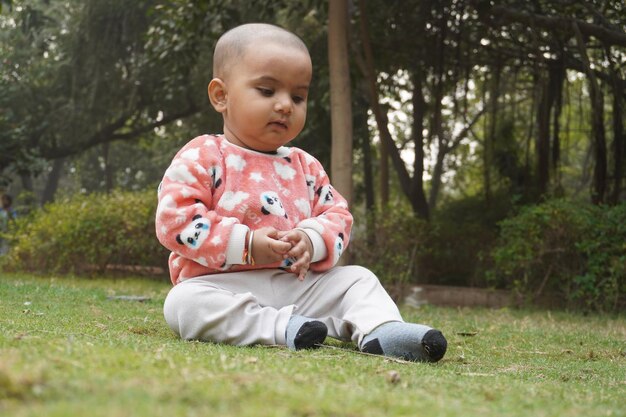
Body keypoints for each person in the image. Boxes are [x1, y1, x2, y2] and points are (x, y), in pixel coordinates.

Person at [155, 23, 447, 362]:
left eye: (298, 96)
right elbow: (175, 220)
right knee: (183, 304)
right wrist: (246, 245)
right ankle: (282, 329)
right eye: (267, 91)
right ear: (221, 95)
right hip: (221, 286)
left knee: (357, 279)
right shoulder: (203, 154)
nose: (285, 105)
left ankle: (381, 328)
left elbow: (337, 215)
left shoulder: (304, 166)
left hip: (297, 283)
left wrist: (311, 239)